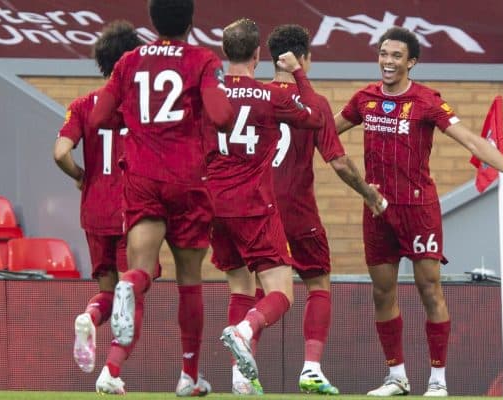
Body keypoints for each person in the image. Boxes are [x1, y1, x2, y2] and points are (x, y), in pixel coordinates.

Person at [334, 26, 503, 397]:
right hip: (377, 209)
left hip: (419, 209)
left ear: (412, 62)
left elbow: (470, 139)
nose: (387, 61)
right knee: (382, 293)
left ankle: (438, 380)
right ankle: (396, 377)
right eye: (383, 54)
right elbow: (328, 133)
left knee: (429, 289)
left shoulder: (427, 101)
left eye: (396, 56)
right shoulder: (364, 99)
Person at [89, 0, 235, 396]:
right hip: (187, 179)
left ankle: (114, 364)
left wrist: (137, 121)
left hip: (142, 178)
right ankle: (189, 377)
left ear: (152, 21)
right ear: (191, 21)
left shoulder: (129, 62)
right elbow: (221, 115)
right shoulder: (203, 59)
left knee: (138, 273)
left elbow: (100, 117)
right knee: (190, 281)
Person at [203, 18, 325, 395]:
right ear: (258, 54)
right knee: (282, 293)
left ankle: (241, 378)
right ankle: (245, 328)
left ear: (225, 52)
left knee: (239, 286)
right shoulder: (271, 96)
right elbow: (316, 117)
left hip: (212, 204)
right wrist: (299, 74)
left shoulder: (206, 93)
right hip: (253, 204)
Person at [265, 24, 385, 395]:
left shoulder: (253, 96)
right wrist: (369, 195)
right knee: (318, 284)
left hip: (256, 209)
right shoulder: (314, 104)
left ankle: (242, 371)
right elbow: (340, 163)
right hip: (299, 211)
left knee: (254, 285)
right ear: (302, 59)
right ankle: (312, 368)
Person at [53, 18, 141, 383]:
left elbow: (59, 152)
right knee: (133, 293)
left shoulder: (83, 105)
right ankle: (111, 370)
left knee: (106, 292)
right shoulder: (140, 108)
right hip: (132, 212)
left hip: (94, 211)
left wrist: (80, 175)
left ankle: (89, 316)